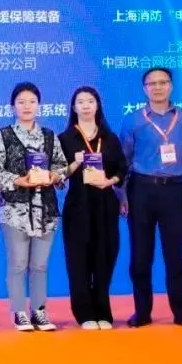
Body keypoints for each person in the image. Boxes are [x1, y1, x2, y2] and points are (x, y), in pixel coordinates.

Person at [119, 67, 182, 329]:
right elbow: (123, 161)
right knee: (140, 255)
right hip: (140, 190)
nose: (157, 87)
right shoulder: (133, 120)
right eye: (151, 83)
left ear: (171, 86)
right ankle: (142, 312)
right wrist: (122, 194)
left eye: (162, 82)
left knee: (174, 254)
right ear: (144, 89)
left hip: (174, 190)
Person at [0, 82, 67, 332]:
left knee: (40, 265)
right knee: (18, 264)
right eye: (21, 102)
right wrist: (18, 180)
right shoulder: (2, 136)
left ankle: (39, 311)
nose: (27, 106)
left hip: (46, 211)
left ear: (39, 105)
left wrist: (54, 176)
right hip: (15, 211)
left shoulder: (50, 136)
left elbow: (61, 166)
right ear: (13, 106)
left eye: (32, 101)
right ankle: (20, 312)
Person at [59, 87, 127, 330]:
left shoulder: (109, 138)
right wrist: (75, 163)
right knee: (79, 259)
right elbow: (58, 175)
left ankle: (103, 310)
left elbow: (122, 168)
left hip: (105, 202)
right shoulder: (65, 138)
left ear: (98, 105)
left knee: (104, 256)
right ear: (73, 107)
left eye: (91, 101)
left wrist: (111, 181)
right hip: (78, 203)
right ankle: (84, 312)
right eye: (81, 102)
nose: (86, 105)